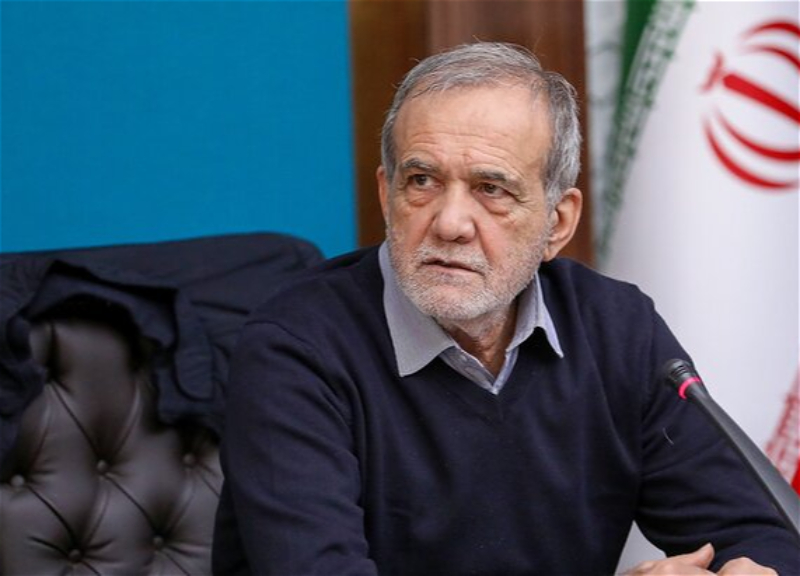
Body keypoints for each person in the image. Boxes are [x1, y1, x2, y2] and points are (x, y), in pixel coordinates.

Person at [212, 42, 798, 575]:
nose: (450, 222)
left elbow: (764, 532)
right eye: (422, 180)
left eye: (491, 189)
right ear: (386, 195)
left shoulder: (617, 330)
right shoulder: (296, 347)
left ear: (557, 223)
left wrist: (750, 572)